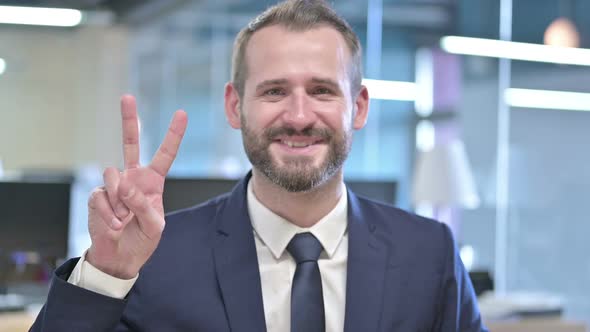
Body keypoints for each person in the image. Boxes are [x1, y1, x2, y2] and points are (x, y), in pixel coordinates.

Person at [30, 0, 488, 331]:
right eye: (274, 91)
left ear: (360, 107)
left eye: (323, 91)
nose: (299, 116)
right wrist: (106, 271)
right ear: (234, 106)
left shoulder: (428, 254)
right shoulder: (154, 256)